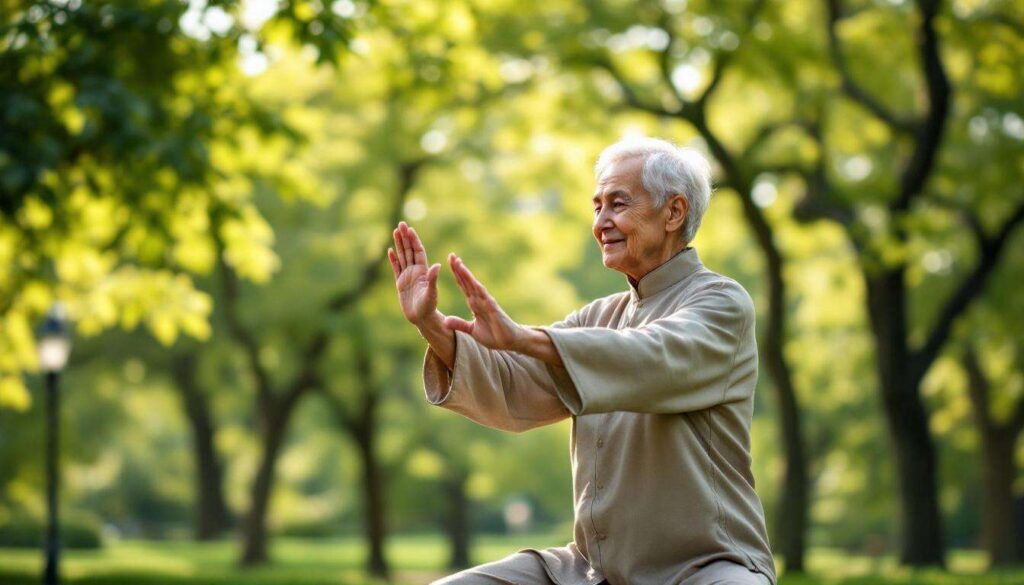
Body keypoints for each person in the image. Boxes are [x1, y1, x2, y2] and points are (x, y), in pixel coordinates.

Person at [387, 136, 776, 585]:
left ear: (674, 212)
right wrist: (430, 324)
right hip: (589, 571)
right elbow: (514, 392)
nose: (601, 222)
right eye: (597, 207)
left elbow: (649, 357)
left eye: (618, 204)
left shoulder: (721, 303)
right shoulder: (599, 316)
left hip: (706, 567)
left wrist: (525, 337)